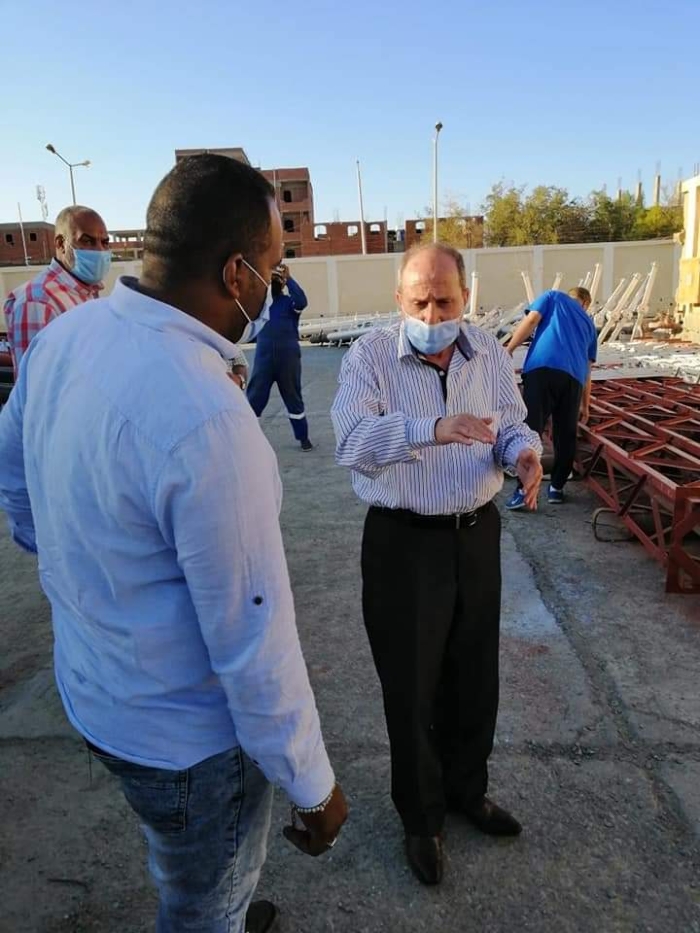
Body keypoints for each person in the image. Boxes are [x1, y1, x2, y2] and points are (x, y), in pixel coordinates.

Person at [0, 154, 347, 933]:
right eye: (271, 267)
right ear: (235, 274)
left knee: (186, 864)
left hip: (94, 691)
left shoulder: (68, 337)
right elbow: (254, 642)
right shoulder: (208, 421)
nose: (274, 285)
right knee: (204, 900)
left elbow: (12, 473)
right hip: (186, 745)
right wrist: (313, 785)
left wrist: (75, 567)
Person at [330, 243, 542, 886]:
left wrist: (523, 454)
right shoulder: (369, 357)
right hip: (404, 542)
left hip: (475, 534)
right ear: (398, 299)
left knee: (474, 676)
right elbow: (352, 442)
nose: (431, 315)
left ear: (465, 297)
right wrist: (432, 426)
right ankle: (421, 819)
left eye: (444, 302)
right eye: (419, 301)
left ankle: (466, 790)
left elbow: (511, 425)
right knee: (412, 684)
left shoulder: (489, 355)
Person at [505, 287, 597, 508]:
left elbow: (531, 320)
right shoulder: (590, 326)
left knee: (531, 428)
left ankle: (523, 491)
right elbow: (588, 370)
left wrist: (509, 348)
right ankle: (557, 488)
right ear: (586, 304)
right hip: (573, 380)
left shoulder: (553, 297)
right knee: (566, 433)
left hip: (542, 368)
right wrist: (585, 405)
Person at [3, 205, 110, 374]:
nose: (100, 250)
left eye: (104, 242)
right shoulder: (38, 301)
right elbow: (37, 381)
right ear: (61, 244)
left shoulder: (86, 292)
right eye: (87, 241)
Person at [247, 263, 313, 450]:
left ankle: (303, 438)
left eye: (278, 280)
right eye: (272, 280)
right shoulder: (261, 305)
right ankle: (247, 438)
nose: (275, 283)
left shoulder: (289, 303)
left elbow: (302, 301)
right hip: (264, 360)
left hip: (288, 361)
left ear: (283, 284)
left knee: (293, 398)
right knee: (254, 399)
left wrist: (289, 278)